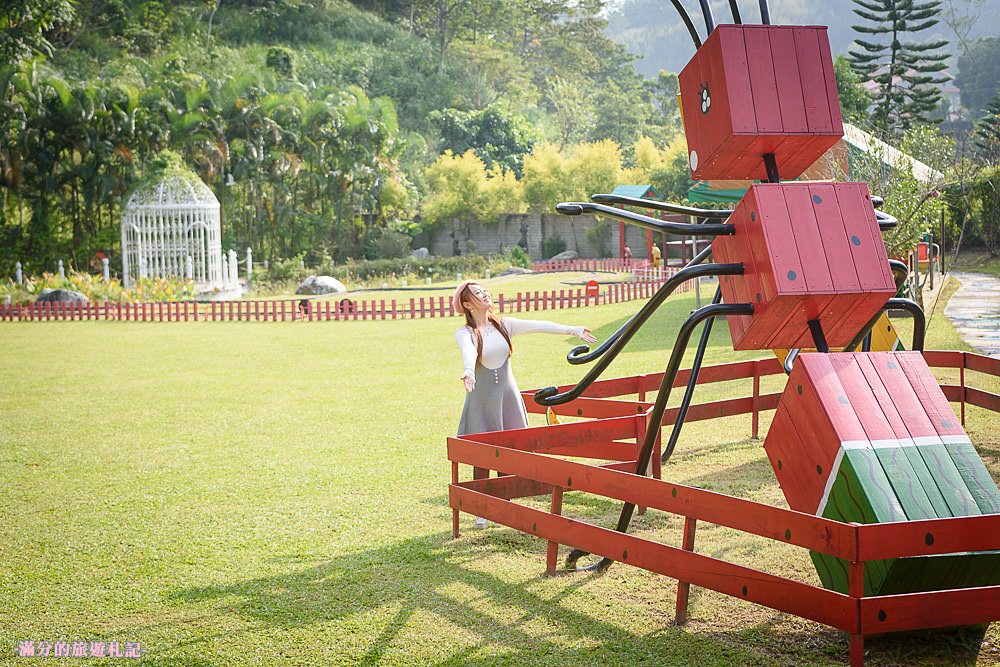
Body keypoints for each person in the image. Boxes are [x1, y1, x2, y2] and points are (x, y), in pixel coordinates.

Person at [452, 280, 597, 528]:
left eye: (484, 290)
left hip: (507, 397)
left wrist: (572, 330)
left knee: (509, 451)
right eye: (477, 293)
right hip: (482, 400)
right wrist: (468, 371)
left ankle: (505, 504)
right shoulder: (465, 333)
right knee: (483, 456)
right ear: (466, 304)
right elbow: (468, 350)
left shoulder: (504, 325)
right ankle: (482, 510)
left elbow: (539, 325)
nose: (485, 293)